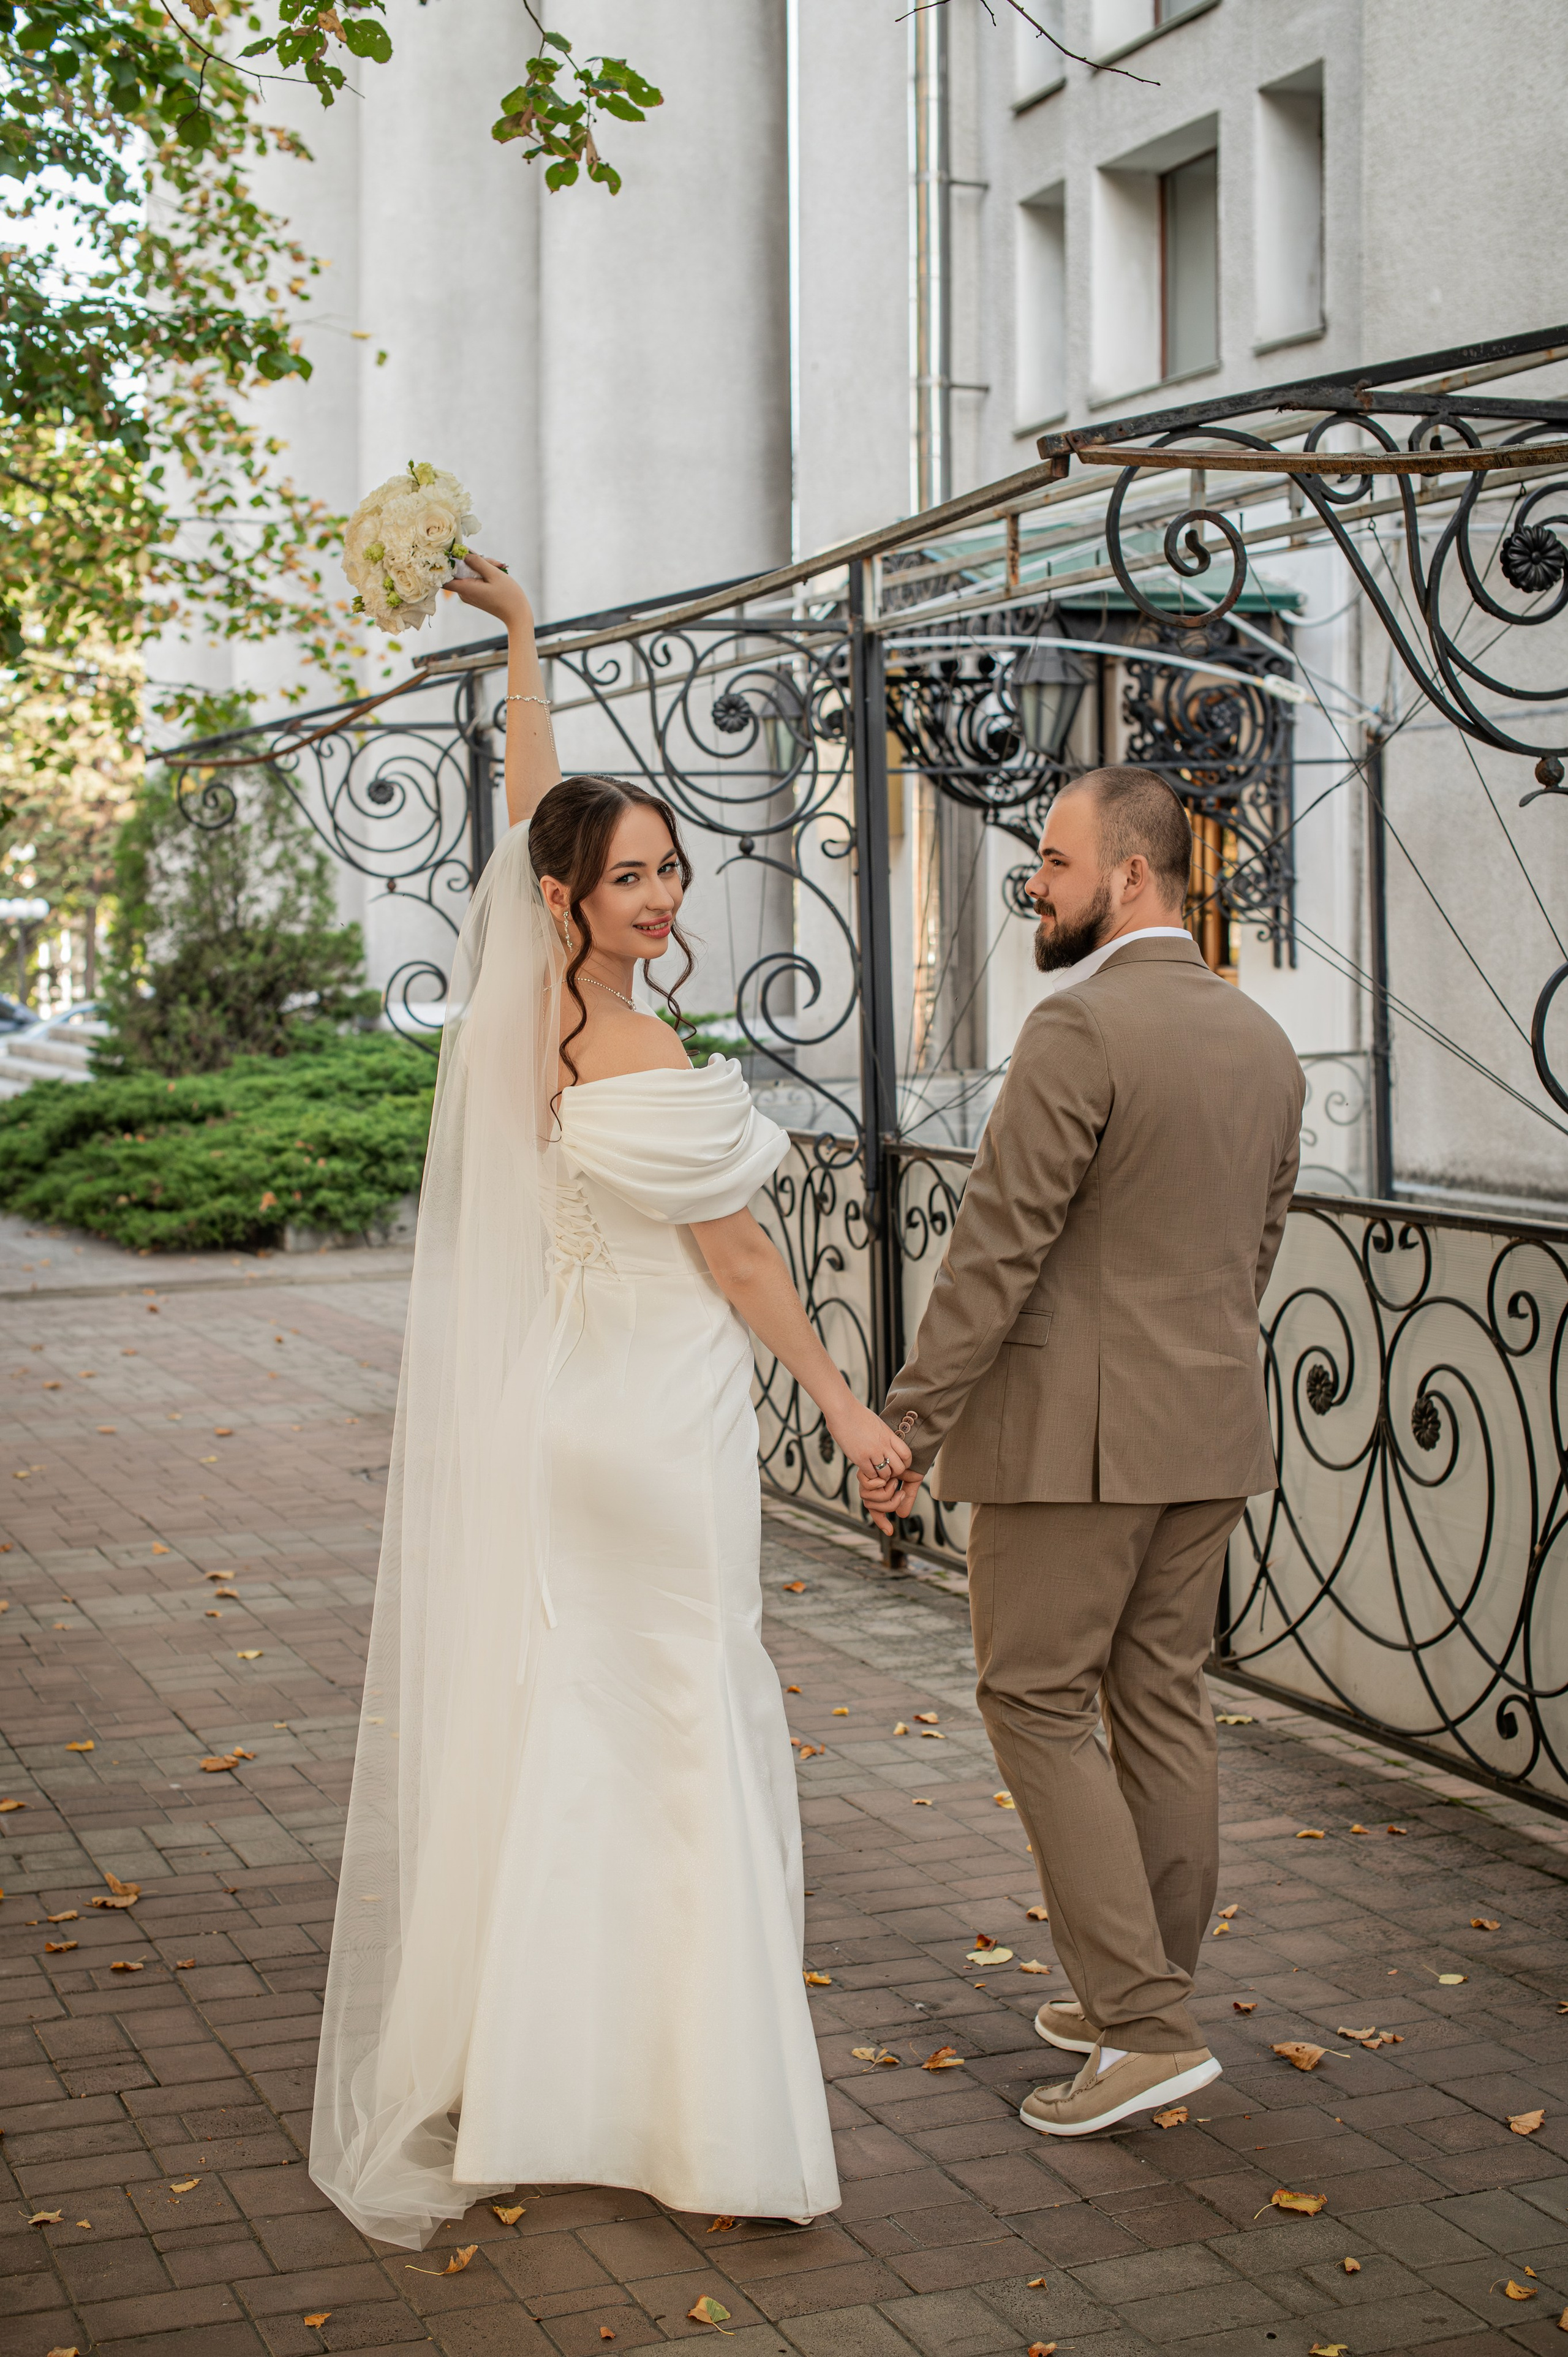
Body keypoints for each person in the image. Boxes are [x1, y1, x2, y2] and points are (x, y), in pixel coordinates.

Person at [309, 554, 909, 2247]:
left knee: (575, 1724)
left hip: (562, 1419)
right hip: (663, 1427)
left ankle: (542, 2080)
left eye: (669, 867)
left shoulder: (534, 1026)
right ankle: (698, 2113)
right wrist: (845, 1411)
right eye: (632, 876)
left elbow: (527, 820)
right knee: (692, 1728)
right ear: (583, 899)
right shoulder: (647, 1064)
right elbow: (741, 1270)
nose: (660, 893)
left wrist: (521, 643)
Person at [862, 767, 1304, 2138]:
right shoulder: (1260, 1040)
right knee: (1157, 1700)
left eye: (1050, 864)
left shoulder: (1076, 1029)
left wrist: (907, 1423)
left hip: (1073, 1447)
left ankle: (1141, 2025)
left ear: (1127, 874)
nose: (1032, 888)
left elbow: (997, 1252)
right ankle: (1142, 1986)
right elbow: (1255, 1247)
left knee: (1034, 1699)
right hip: (1210, 1426)